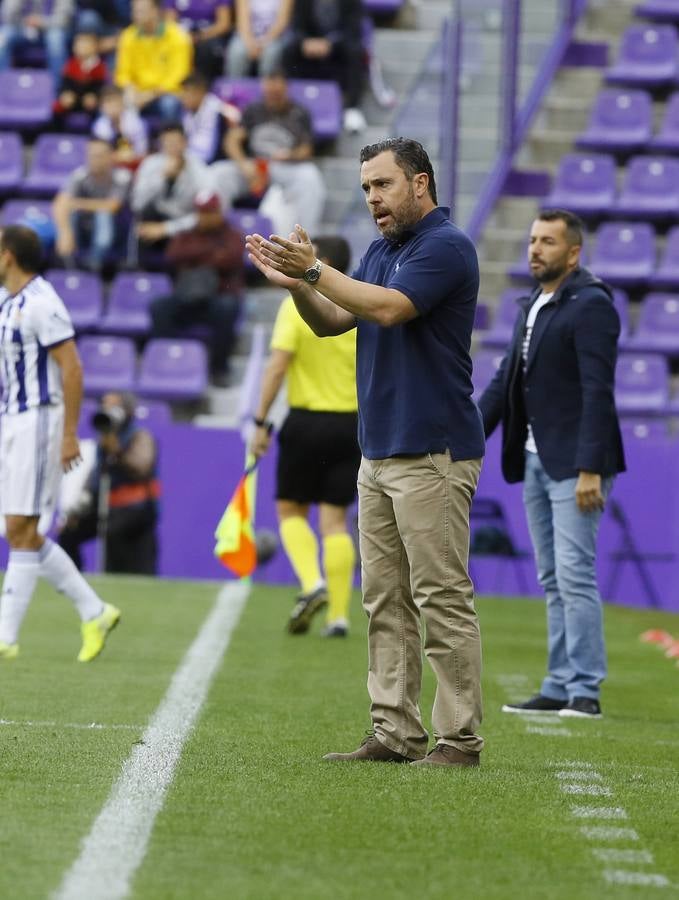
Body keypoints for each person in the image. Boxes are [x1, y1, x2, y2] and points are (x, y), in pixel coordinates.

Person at [246, 137, 485, 768]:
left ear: (420, 183)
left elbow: (386, 309)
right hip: (378, 449)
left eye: (382, 185)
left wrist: (317, 269)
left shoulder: (445, 247)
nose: (372, 199)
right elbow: (330, 321)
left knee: (440, 595)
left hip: (432, 448)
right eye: (365, 189)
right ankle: (395, 732)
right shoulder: (382, 251)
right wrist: (300, 285)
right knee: (384, 596)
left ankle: (459, 740)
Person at [478, 209, 626, 720]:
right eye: (533, 240)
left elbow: (597, 392)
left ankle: (585, 688)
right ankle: (559, 684)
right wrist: (466, 437)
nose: (535, 249)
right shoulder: (532, 305)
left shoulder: (592, 306)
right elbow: (503, 384)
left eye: (547, 242)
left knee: (574, 573)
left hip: (575, 464)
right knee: (552, 576)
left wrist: (590, 469)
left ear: (574, 252)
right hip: (537, 459)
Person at [0, 226, 120, 663]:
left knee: (20, 528)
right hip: (12, 420)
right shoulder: (8, 301)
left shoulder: (42, 302)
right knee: (20, 530)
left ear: (9, 256)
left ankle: (5, 636)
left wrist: (69, 434)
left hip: (39, 421)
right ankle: (95, 610)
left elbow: (71, 369)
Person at [251, 235, 359, 638]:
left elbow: (277, 367)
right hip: (350, 423)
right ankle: (338, 614)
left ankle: (311, 583)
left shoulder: (296, 305)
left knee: (290, 511)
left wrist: (260, 422)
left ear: (323, 261)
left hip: (306, 420)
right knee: (335, 522)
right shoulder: (357, 303)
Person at [211, 70, 326, 237]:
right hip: (254, 166)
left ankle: (309, 242)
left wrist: (290, 155)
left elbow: (306, 149)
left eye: (276, 93)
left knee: (310, 176)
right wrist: (243, 165)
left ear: (286, 89)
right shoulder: (254, 109)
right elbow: (232, 140)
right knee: (218, 172)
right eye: (269, 92)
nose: (272, 96)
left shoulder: (299, 112)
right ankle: (219, 236)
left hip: (283, 168)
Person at [58, 392, 160, 575]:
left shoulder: (139, 437)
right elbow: (96, 476)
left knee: (116, 534)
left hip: (135, 508)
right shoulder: (103, 440)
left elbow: (142, 467)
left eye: (113, 406)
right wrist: (77, 511)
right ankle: (75, 579)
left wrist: (117, 452)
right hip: (105, 505)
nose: (107, 410)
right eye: (104, 405)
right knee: (68, 534)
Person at [149, 191, 244, 385]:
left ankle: (219, 369)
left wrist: (193, 257)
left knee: (228, 308)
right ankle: (169, 364)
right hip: (186, 297)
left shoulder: (233, 235)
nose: (205, 217)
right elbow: (172, 256)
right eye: (201, 212)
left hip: (217, 298)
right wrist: (210, 253)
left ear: (219, 212)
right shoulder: (186, 234)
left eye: (209, 212)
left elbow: (230, 259)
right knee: (158, 307)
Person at [283, 0, 366, 134]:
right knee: (288, 49)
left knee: (355, 51)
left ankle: (352, 107)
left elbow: (352, 28)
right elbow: (296, 26)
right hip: (309, 45)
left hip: (339, 46)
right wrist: (305, 41)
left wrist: (330, 43)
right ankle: (290, 103)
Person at [132, 121, 212, 259]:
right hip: (154, 220)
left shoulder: (199, 170)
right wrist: (161, 178)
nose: (171, 147)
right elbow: (137, 204)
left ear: (185, 143)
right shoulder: (150, 164)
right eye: (166, 142)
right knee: (144, 220)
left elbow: (205, 215)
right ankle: (142, 272)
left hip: (183, 227)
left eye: (175, 142)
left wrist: (166, 229)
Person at [52, 137, 132, 272]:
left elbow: (112, 206)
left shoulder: (123, 177)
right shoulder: (80, 175)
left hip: (118, 233)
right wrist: (64, 232)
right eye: (91, 155)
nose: (94, 160)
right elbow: (60, 203)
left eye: (99, 155)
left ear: (111, 157)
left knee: (103, 214)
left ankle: (93, 267)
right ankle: (69, 264)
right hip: (84, 229)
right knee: (69, 215)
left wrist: (77, 203)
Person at [114, 0, 192, 122]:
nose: (136, 15)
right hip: (138, 94)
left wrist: (151, 94)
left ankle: (170, 137)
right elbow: (123, 73)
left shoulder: (177, 36)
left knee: (169, 104)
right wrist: (131, 91)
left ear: (155, 11)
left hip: (166, 93)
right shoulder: (128, 36)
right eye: (134, 11)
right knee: (114, 103)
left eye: (141, 11)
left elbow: (179, 76)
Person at [0, 0, 74, 83]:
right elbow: (7, 15)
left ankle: (59, 87)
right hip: (22, 27)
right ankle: (2, 86)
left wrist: (41, 22)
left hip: (50, 28)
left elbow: (64, 19)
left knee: (55, 40)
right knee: (2, 37)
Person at [165, 0, 232, 80]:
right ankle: (174, 83)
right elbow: (170, 23)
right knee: (172, 44)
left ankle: (204, 86)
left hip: (209, 36)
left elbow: (223, 24)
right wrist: (183, 36)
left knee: (207, 49)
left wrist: (200, 36)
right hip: (181, 35)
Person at [53, 30, 108, 125]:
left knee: (99, 108)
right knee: (58, 107)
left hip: (90, 102)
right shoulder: (71, 64)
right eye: (78, 44)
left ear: (95, 47)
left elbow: (101, 86)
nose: (81, 47)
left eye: (85, 44)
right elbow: (65, 83)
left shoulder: (99, 67)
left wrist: (95, 96)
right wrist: (65, 94)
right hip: (73, 99)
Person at [226, 0, 293, 78]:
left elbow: (282, 22)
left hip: (275, 36)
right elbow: (242, 22)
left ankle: (266, 87)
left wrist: (263, 43)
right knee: (237, 51)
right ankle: (235, 86)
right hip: (249, 36)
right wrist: (250, 43)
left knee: (271, 52)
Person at [92, 84, 149, 170]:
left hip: (134, 166)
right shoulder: (99, 126)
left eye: (116, 102)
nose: (112, 107)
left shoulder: (135, 123)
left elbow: (141, 153)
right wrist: (120, 156)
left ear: (122, 103)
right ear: (102, 107)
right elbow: (100, 155)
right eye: (108, 102)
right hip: (109, 168)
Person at [180, 72, 229, 164]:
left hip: (216, 163)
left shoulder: (217, 110)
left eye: (187, 92)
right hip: (194, 159)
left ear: (200, 92)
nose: (183, 97)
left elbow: (208, 151)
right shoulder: (188, 111)